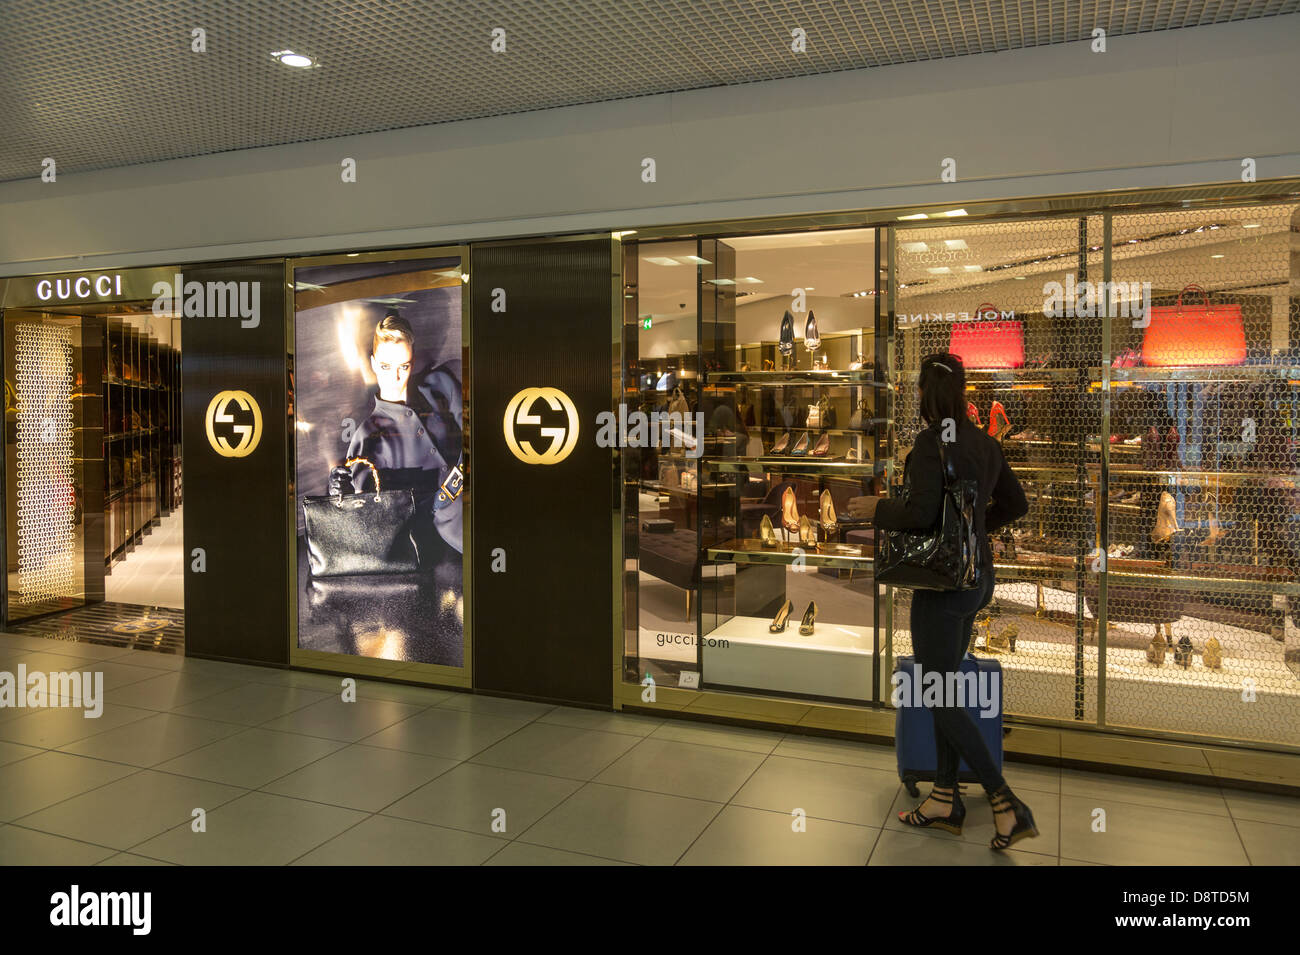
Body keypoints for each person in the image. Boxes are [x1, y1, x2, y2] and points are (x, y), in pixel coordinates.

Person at [859, 352, 1035, 850]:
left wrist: (878, 509)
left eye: (917, 390)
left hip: (940, 589)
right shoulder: (983, 442)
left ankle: (1006, 804)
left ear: (926, 394)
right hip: (977, 583)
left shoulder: (931, 443)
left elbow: (917, 514)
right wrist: (973, 534)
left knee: (936, 690)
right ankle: (943, 798)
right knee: (944, 684)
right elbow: (1015, 504)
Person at [328, 313, 463, 556]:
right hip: (439, 537)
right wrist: (340, 493)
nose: (395, 377)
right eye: (386, 367)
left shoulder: (440, 384)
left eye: (404, 366)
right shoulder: (367, 437)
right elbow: (367, 514)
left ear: (413, 361)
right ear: (373, 363)